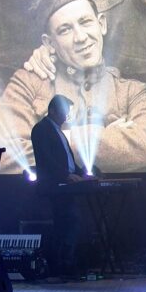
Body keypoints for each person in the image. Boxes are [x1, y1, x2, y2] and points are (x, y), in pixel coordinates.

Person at [0, 0, 146, 173]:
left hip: (115, 202)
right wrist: (99, 138)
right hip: (52, 201)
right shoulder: (27, 83)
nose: (80, 37)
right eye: (65, 30)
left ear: (102, 25)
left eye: (85, 22)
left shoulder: (131, 90)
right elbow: (3, 156)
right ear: (49, 43)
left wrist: (57, 140)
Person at [31, 95, 91, 278]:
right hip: (55, 187)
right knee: (67, 223)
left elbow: (67, 160)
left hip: (65, 185)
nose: (66, 116)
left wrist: (83, 173)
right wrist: (66, 175)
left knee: (70, 222)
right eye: (64, 112)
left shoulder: (57, 130)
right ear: (52, 111)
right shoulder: (41, 129)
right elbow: (47, 159)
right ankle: (63, 265)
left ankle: (67, 263)